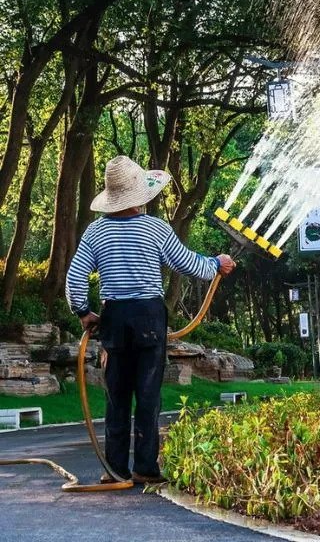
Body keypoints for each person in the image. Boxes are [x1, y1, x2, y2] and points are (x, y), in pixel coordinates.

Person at [66, 155, 235, 484]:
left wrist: (83, 312)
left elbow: (74, 278)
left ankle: (115, 471)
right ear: (139, 195)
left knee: (116, 398)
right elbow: (190, 264)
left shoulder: (95, 232)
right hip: (149, 319)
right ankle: (145, 468)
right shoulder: (155, 228)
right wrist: (217, 263)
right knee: (147, 396)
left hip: (114, 320)